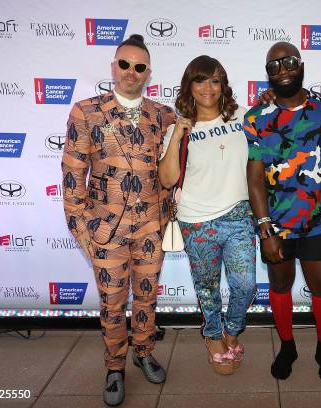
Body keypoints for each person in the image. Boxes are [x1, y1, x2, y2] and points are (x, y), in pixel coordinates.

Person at [62, 34, 175, 406]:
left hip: (149, 229)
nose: (131, 72)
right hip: (104, 230)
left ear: (148, 74)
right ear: (113, 67)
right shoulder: (86, 111)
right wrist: (84, 231)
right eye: (124, 64)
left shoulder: (162, 115)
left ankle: (143, 351)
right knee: (112, 303)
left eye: (139, 67)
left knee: (146, 298)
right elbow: (72, 175)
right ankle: (114, 367)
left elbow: (201, 124)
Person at [245, 42, 321, 383]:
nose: (283, 69)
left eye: (289, 61)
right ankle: (287, 345)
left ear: (300, 64)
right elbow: (255, 177)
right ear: (267, 73)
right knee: (280, 284)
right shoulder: (256, 118)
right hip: (276, 224)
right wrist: (265, 229)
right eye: (274, 65)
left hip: (318, 221)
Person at [158, 55, 256, 376]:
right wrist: (176, 135)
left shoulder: (242, 117)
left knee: (245, 285)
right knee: (207, 286)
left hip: (239, 214)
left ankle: (232, 330)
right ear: (189, 86)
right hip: (196, 219)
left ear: (223, 85)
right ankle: (213, 335)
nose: (208, 88)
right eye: (200, 80)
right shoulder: (179, 128)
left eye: (215, 80)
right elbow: (168, 179)